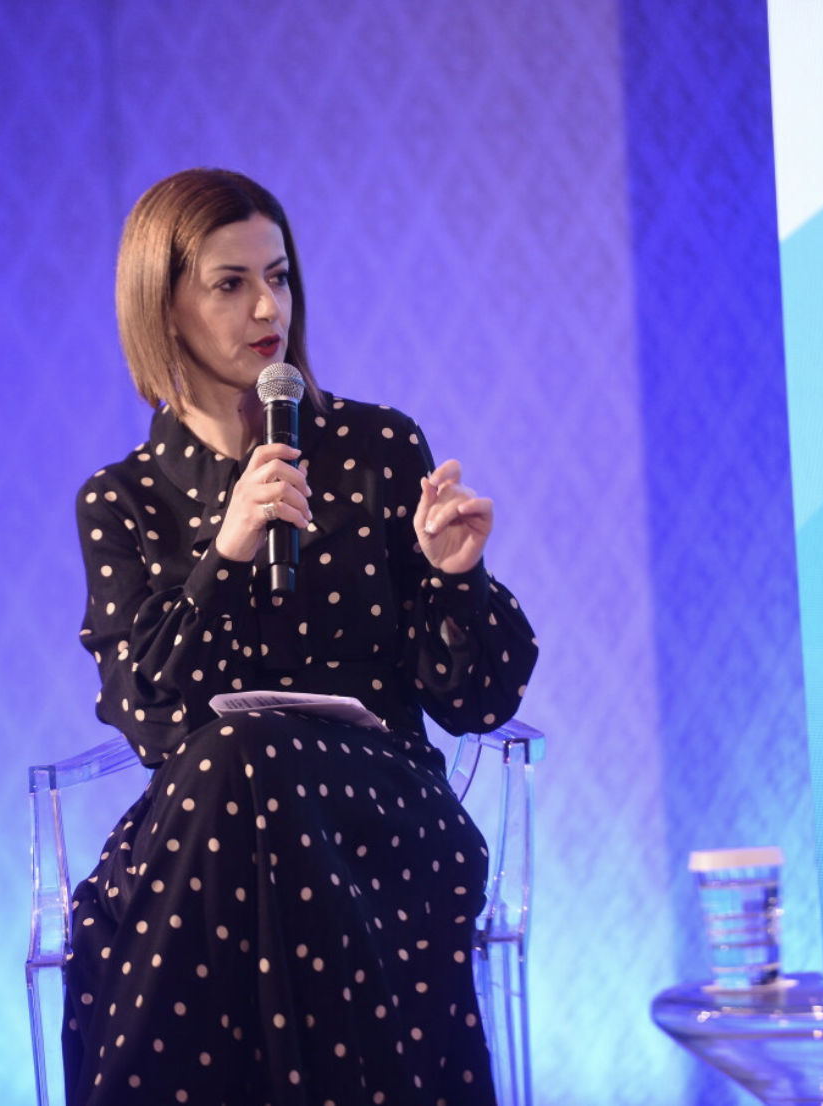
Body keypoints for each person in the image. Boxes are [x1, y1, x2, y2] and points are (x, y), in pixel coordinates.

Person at [67, 168, 537, 1105]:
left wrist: (458, 576)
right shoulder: (121, 501)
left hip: (381, 821)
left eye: (278, 277)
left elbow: (478, 701)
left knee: (235, 758)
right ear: (162, 308)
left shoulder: (377, 449)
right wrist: (227, 553)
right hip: (209, 836)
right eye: (230, 283)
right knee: (230, 765)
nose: (267, 308)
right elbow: (152, 721)